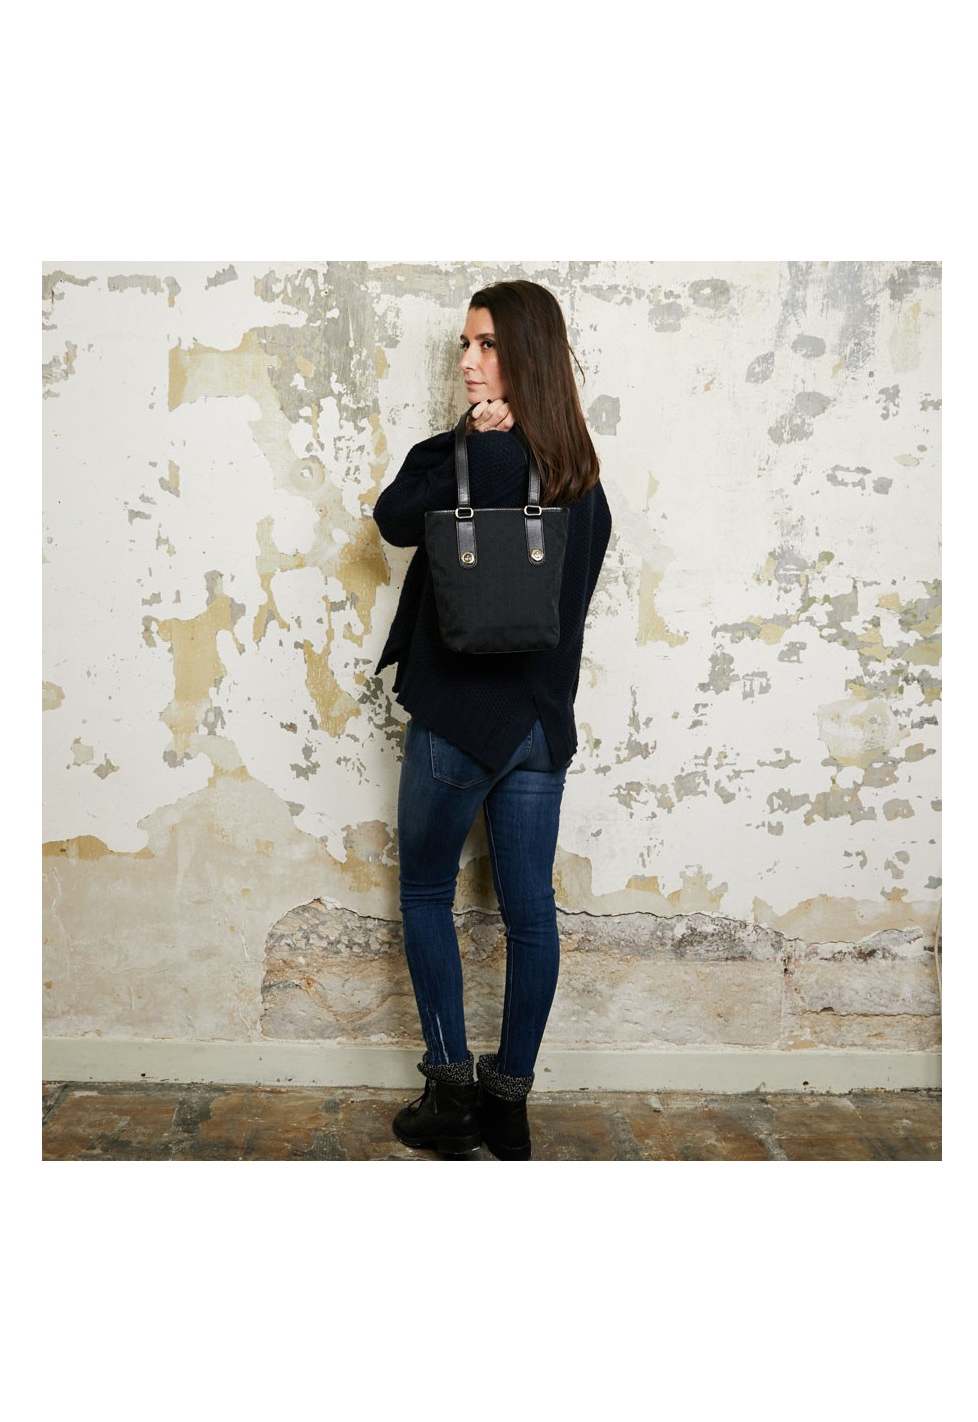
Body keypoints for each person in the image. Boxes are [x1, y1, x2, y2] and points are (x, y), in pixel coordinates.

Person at [372, 279, 612, 1160]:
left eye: (488, 345)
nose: (469, 363)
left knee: (426, 893)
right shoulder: (583, 475)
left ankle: (451, 1092)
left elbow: (393, 518)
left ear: (527, 356)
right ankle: (509, 1104)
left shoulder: (465, 457)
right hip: (540, 730)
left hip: (458, 724)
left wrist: (467, 446)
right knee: (531, 914)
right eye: (464, 346)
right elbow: (569, 608)